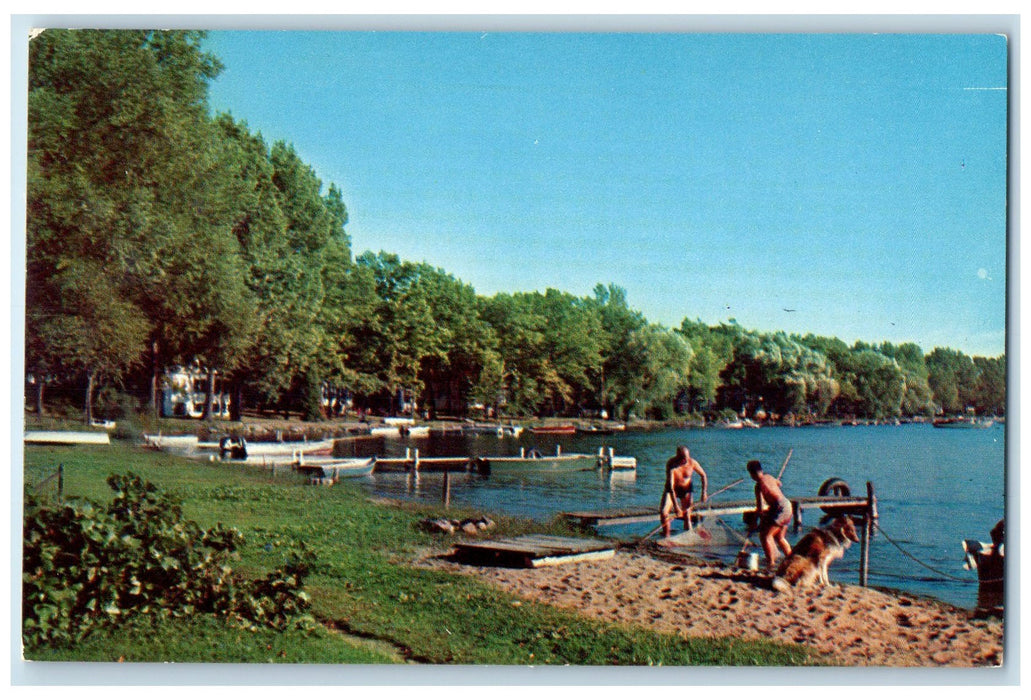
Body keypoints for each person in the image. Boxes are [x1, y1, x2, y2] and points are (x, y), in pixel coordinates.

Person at [747, 460, 792, 570]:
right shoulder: (769, 477)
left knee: (765, 536)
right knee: (780, 537)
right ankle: (792, 560)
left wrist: (755, 522)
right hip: (787, 505)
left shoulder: (758, 486)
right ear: (761, 470)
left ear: (751, 474)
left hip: (780, 508)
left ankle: (771, 564)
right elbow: (779, 484)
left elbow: (760, 508)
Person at [659, 446, 708, 537]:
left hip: (686, 489)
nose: (686, 460)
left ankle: (688, 535)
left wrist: (704, 492)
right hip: (672, 490)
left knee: (687, 514)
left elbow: (703, 475)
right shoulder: (672, 465)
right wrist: (676, 506)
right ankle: (667, 535)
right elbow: (671, 488)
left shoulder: (692, 462)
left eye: (687, 458)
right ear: (678, 458)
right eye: (684, 459)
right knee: (664, 513)